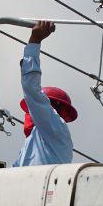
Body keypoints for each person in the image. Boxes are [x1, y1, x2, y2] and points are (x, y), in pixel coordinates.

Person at [14, 20, 77, 167]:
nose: (28, 114)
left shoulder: (53, 126)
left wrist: (34, 42)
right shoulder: (37, 143)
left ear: (52, 107)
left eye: (31, 109)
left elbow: (31, 88)